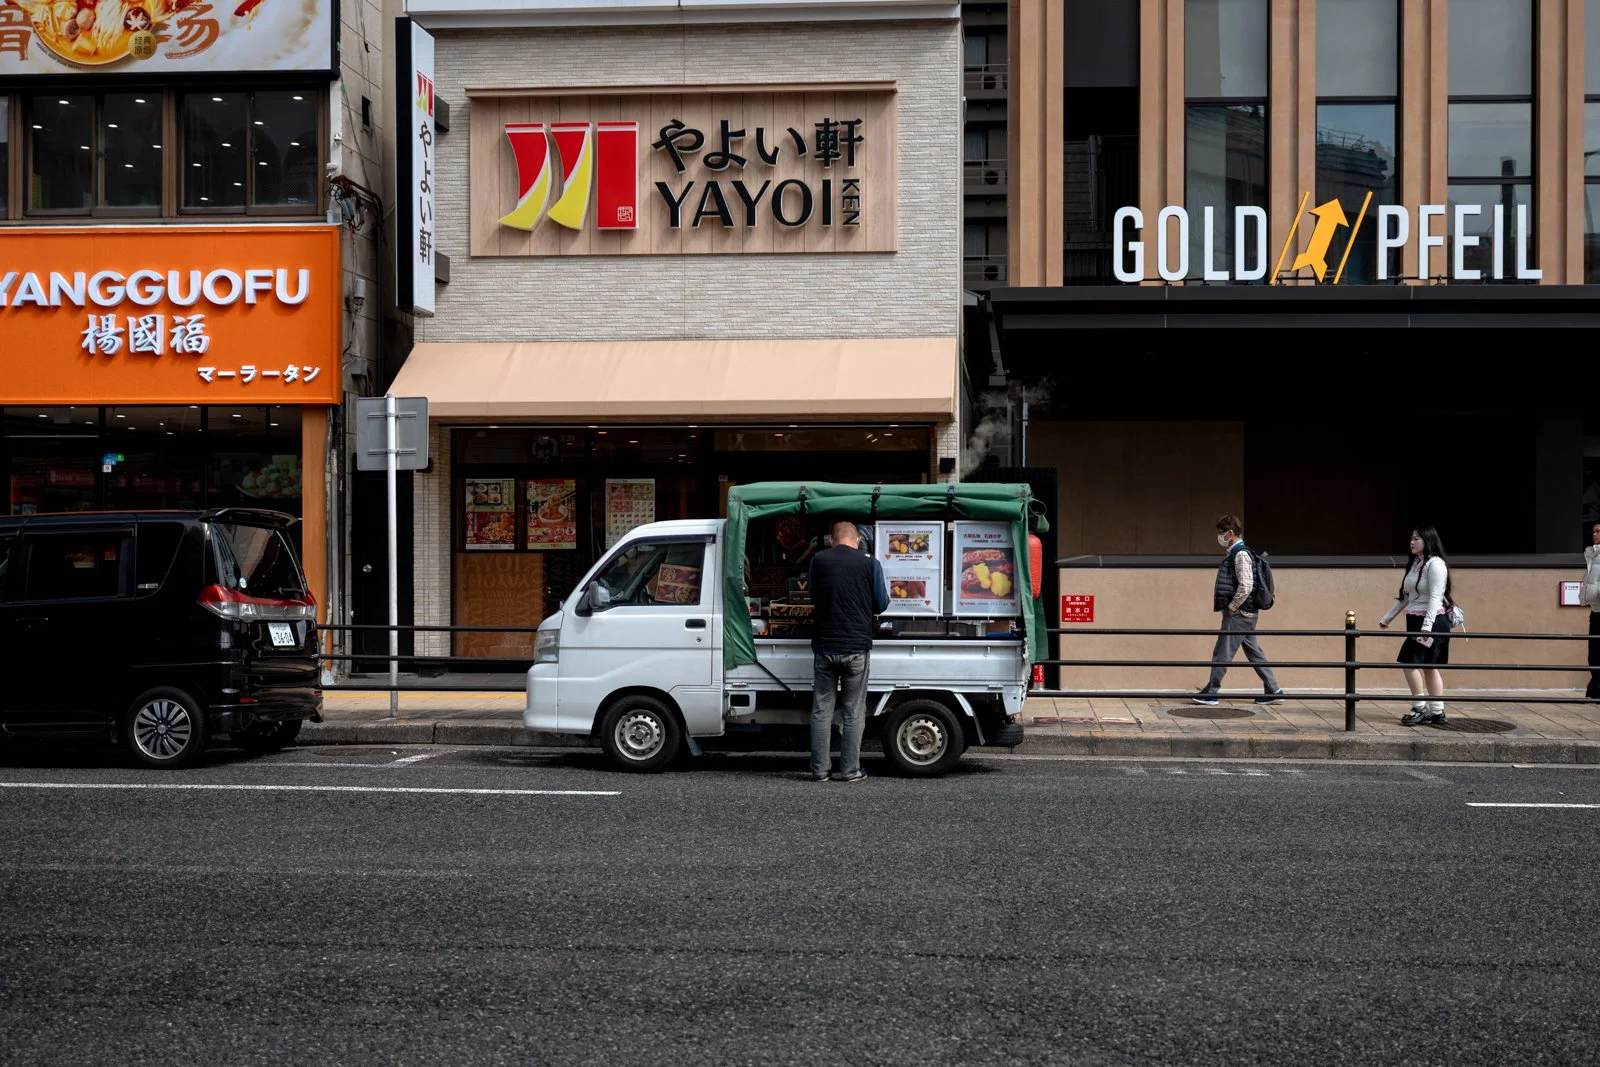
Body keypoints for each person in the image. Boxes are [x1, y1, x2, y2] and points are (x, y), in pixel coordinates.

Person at [807, 520, 889, 782]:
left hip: (825, 645)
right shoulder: (869, 562)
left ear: (833, 540)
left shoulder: (819, 560)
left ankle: (820, 770)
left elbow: (812, 594)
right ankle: (850, 770)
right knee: (853, 710)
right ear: (856, 540)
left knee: (822, 710)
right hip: (856, 647)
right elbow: (881, 604)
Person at [1195, 515, 1284, 706]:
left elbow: (1246, 586)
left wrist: (1231, 607)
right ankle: (1274, 690)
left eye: (1221, 533)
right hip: (1247, 613)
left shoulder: (1241, 554)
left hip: (1240, 614)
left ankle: (1211, 692)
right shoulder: (1240, 553)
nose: (1219, 536)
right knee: (1255, 652)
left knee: (1222, 652)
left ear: (1230, 532)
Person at [1379, 526, 1453, 725]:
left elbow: (1436, 597)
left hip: (1432, 621)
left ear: (1428, 541)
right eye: (1411, 538)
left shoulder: (1436, 564)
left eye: (1417, 538)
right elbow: (1406, 597)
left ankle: (1420, 707)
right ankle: (1437, 712)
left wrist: (1427, 626)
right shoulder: (1416, 564)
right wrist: (1387, 618)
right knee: (1428, 666)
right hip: (1415, 619)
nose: (1412, 542)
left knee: (1410, 662)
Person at [1582, 522, 1600, 700]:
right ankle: (1594, 688)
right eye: (1593, 531)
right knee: (1593, 653)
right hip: (1595, 611)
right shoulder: (1593, 554)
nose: (1595, 534)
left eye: (1598, 531)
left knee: (1596, 653)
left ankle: (1594, 690)